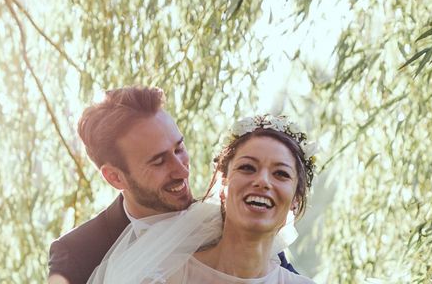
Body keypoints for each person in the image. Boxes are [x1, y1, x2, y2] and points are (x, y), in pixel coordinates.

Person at [48, 87, 297, 284]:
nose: (182, 169)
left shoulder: (227, 221)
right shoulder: (76, 254)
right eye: (158, 161)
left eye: (179, 148)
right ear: (115, 178)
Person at [88, 114, 317, 284]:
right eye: (248, 168)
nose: (263, 182)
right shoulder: (161, 277)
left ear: (296, 198)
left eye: (281, 174)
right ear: (223, 183)